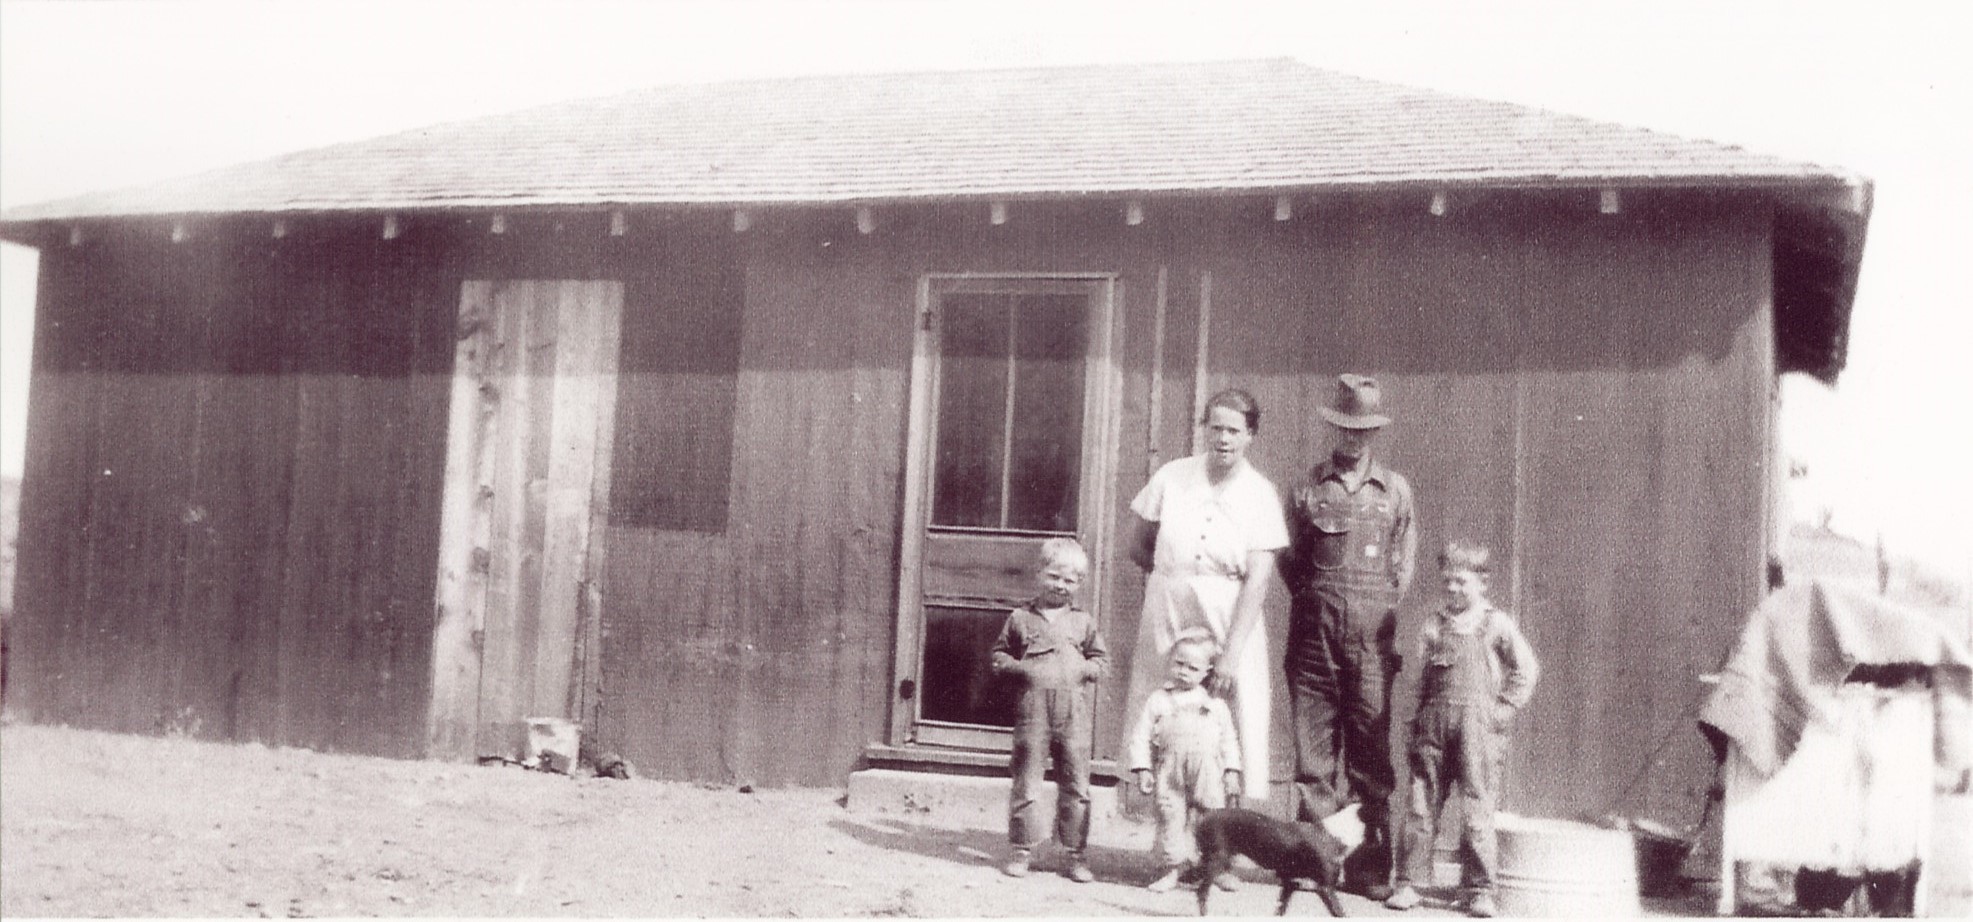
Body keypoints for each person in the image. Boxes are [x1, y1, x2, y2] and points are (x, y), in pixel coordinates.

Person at [1280, 373, 1418, 899]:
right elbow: (1290, 562)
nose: (1354, 438)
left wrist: (1368, 617)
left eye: (1364, 430)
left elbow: (1401, 569)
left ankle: (1365, 869)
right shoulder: (1308, 487)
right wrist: (1321, 606)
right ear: (1334, 428)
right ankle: (1311, 864)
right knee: (1313, 761)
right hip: (1313, 642)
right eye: (1346, 428)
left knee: (1370, 761)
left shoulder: (1396, 490)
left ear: (1374, 433)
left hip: (1371, 647)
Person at [1124, 388, 1289, 806]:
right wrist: (1177, 580)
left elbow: (1258, 580)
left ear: (1251, 435)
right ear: (1204, 430)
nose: (1224, 438)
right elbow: (1138, 545)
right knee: (1162, 700)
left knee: (1232, 709)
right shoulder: (1172, 476)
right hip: (1170, 605)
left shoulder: (1260, 493)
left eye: (1234, 430)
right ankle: (1164, 825)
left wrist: (1231, 653)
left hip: (1231, 609)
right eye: (1216, 428)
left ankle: (1226, 833)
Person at [1384, 541, 1538, 918]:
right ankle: (1409, 882)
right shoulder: (1433, 624)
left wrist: (1502, 709)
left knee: (1477, 812)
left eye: (1461, 582)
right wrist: (1410, 725)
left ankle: (1479, 890)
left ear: (1482, 583)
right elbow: (1416, 682)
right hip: (1432, 731)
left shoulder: (1495, 624)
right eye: (1447, 581)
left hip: (1477, 734)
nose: (1452, 589)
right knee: (1421, 807)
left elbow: (1527, 670)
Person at [991, 537, 1109, 883]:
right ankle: (1021, 850)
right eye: (1055, 576)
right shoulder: (1020, 619)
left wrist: (1085, 670)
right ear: (1040, 574)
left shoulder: (1084, 622)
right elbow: (999, 657)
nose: (1061, 585)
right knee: (1027, 781)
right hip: (1033, 714)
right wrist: (1021, 669)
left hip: (1073, 716)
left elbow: (1101, 661)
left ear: (1080, 583)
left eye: (1070, 580)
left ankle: (1076, 854)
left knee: (1076, 784)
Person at [1128, 632, 1244, 892]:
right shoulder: (1159, 699)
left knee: (1212, 818)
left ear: (1207, 672)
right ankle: (1171, 869)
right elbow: (1141, 734)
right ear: (1171, 661)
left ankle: (1217, 869)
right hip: (1170, 770)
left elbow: (1229, 740)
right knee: (1171, 816)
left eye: (1193, 668)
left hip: (1208, 773)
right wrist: (1143, 768)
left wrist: (1231, 770)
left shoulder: (1214, 702)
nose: (1184, 672)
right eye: (1179, 663)